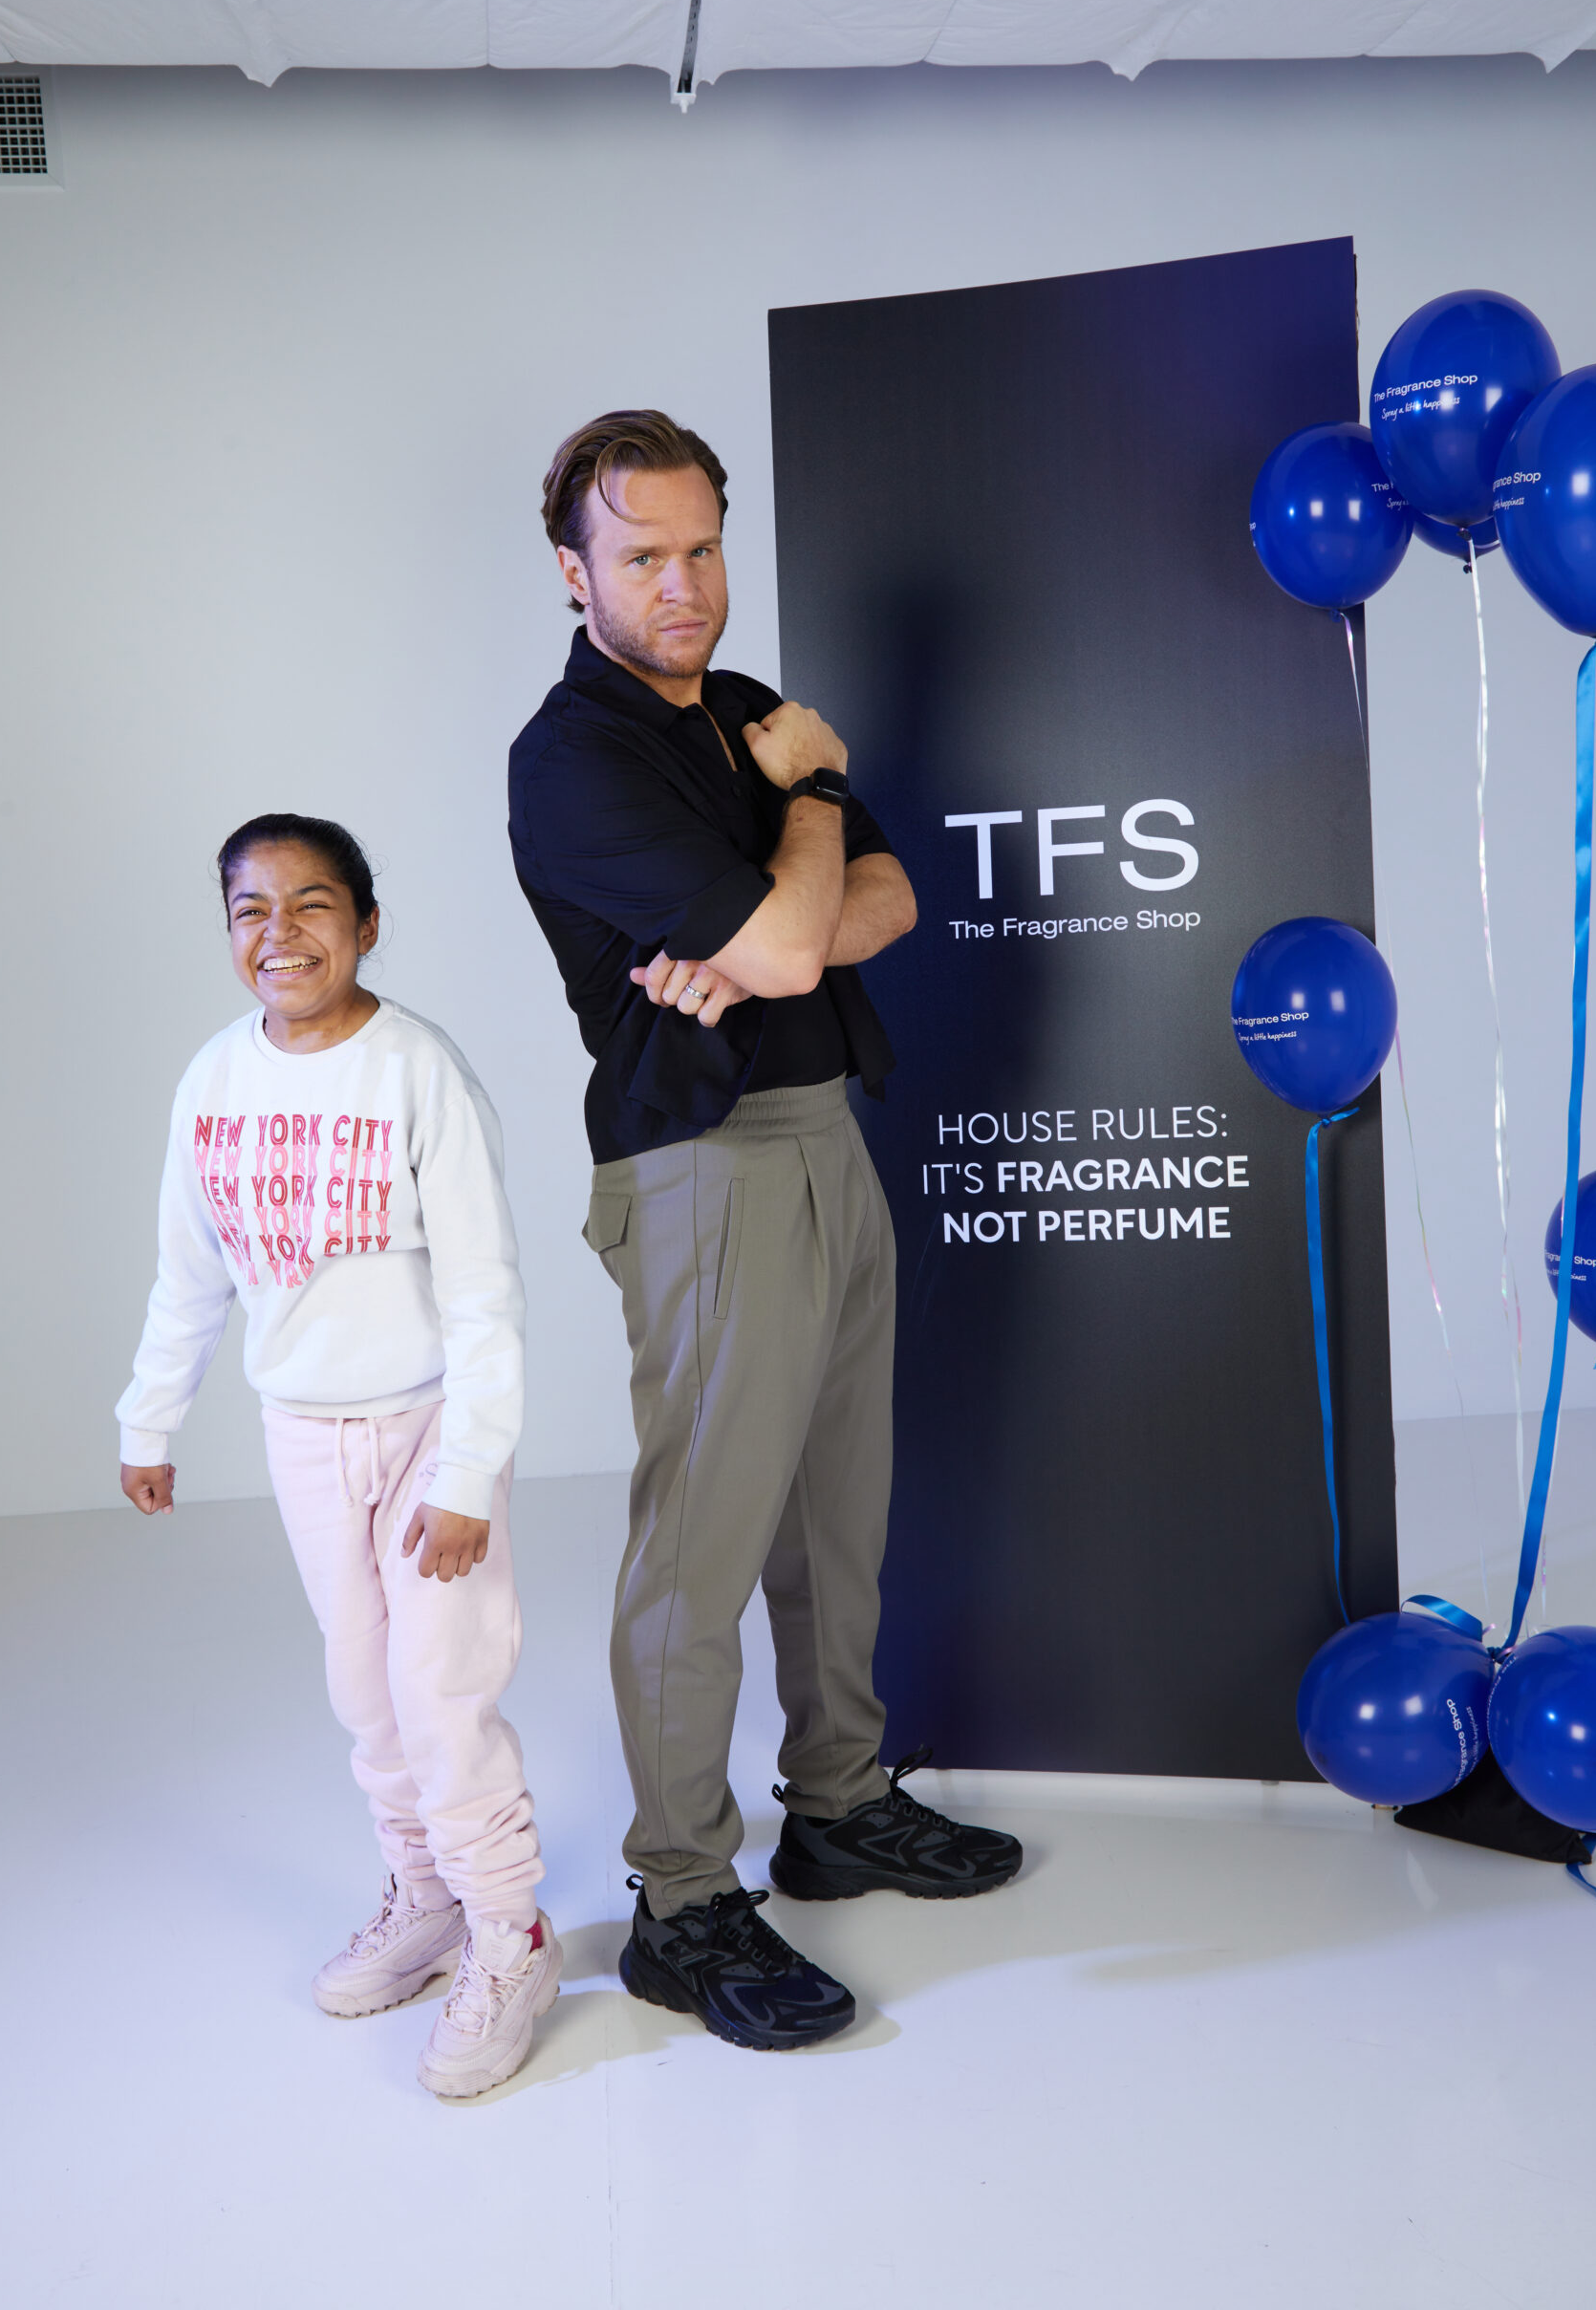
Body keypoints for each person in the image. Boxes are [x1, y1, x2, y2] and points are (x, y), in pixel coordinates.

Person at [508, 409, 1022, 2053]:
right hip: (702, 1165)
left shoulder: (737, 706)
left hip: (825, 1138)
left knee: (835, 1513)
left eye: (702, 547)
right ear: (575, 570)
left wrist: (776, 922)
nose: (683, 584)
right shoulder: (573, 758)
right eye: (642, 556)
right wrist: (810, 805)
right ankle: (679, 1896)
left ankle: (837, 1801)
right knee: (703, 1543)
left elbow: (884, 909)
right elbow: (812, 932)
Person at [117, 812, 557, 2100]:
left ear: (367, 924)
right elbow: (188, 1274)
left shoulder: (418, 1072)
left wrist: (469, 1473)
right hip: (301, 1433)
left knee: (442, 1690)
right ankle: (424, 1899)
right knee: (367, 1696)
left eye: (314, 905)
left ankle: (509, 1930)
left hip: (425, 1428)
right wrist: (151, 1418)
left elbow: (485, 1292)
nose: (282, 932)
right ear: (230, 936)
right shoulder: (214, 1080)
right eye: (253, 910)